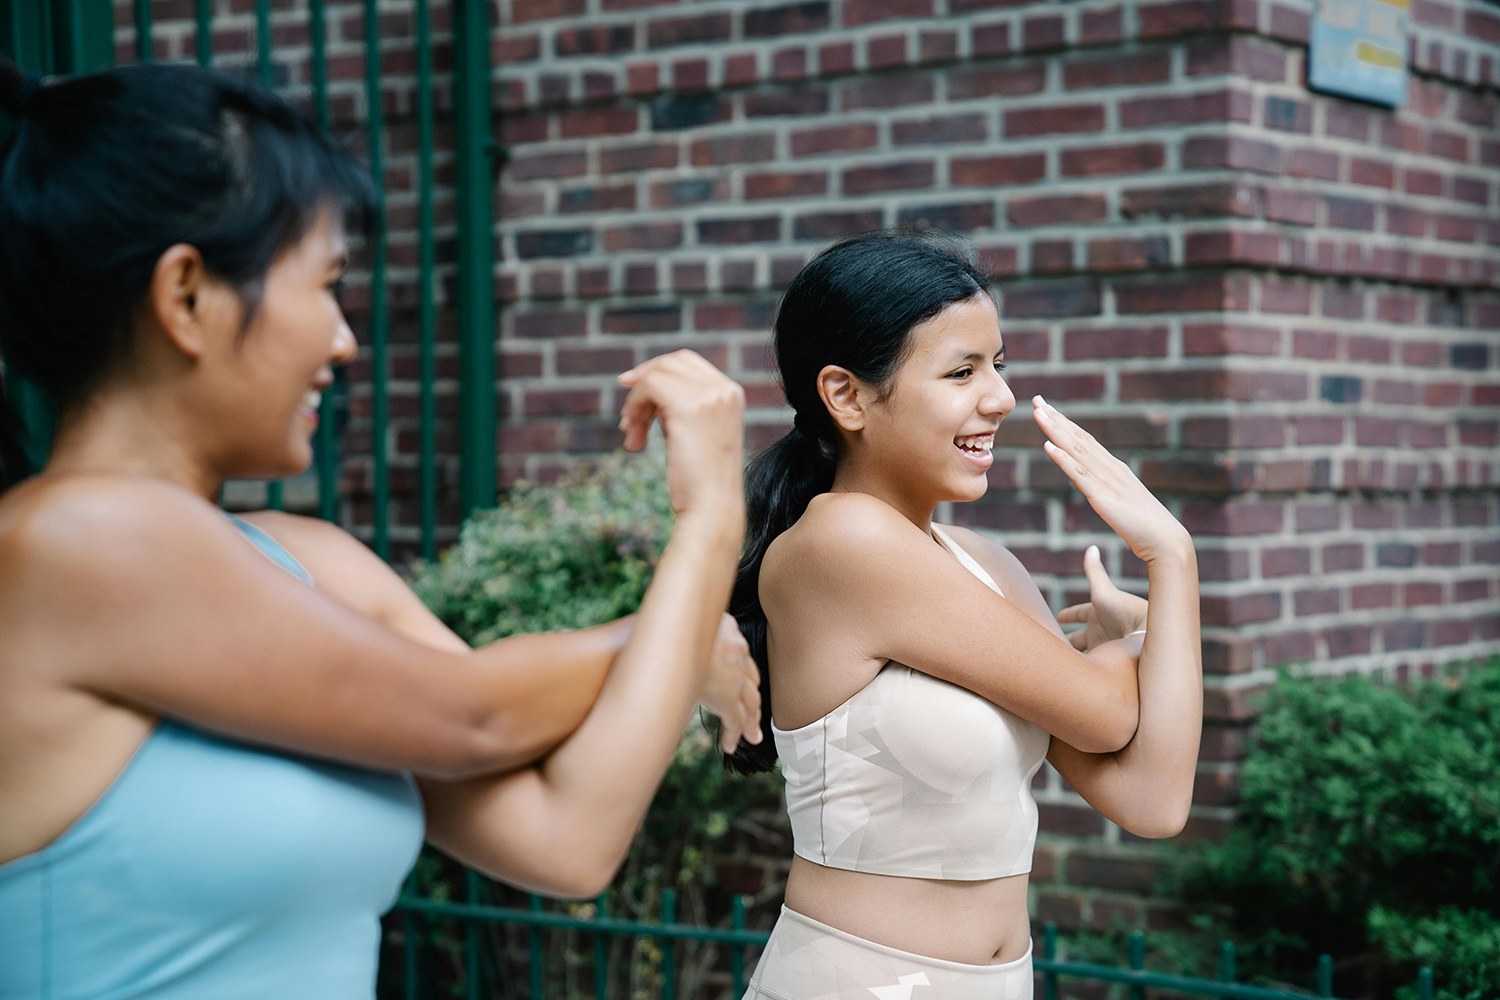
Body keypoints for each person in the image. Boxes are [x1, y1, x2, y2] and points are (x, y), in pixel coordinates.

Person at [0, 58, 761, 999]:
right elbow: (472, 716)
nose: (343, 341)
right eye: (323, 284)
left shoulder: (314, 564)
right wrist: (674, 629)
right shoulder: (75, 540)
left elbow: (567, 842)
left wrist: (704, 526)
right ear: (187, 297)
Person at [727, 233, 1202, 998]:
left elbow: (1151, 798)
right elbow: (1110, 716)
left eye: (999, 364)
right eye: (961, 371)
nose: (1001, 397)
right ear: (846, 395)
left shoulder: (984, 564)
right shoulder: (841, 541)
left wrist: (1174, 565)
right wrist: (1126, 651)